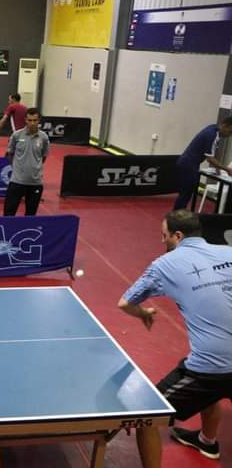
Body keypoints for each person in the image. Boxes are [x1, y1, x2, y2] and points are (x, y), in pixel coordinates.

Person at [118, 209, 232, 467]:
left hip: (213, 367)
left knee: (147, 414)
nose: (162, 240)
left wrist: (143, 313)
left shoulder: (164, 264)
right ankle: (206, 441)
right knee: (213, 387)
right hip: (221, 361)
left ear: (178, 236)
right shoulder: (228, 252)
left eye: (164, 235)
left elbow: (125, 303)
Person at [173, 117, 232, 210]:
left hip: (190, 164)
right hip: (188, 165)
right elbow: (210, 159)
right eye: (230, 131)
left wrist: (218, 168)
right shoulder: (211, 135)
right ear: (225, 126)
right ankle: (176, 216)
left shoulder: (214, 129)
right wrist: (227, 169)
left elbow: (215, 150)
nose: (229, 135)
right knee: (184, 195)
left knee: (186, 194)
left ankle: (178, 214)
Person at [3, 107, 50, 216]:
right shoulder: (16, 135)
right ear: (25, 120)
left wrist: (34, 166)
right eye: (30, 120)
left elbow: (43, 157)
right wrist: (17, 168)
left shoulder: (44, 138)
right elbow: (10, 154)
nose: (32, 123)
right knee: (8, 214)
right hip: (17, 181)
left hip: (35, 183)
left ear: (39, 120)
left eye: (35, 120)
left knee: (31, 215)